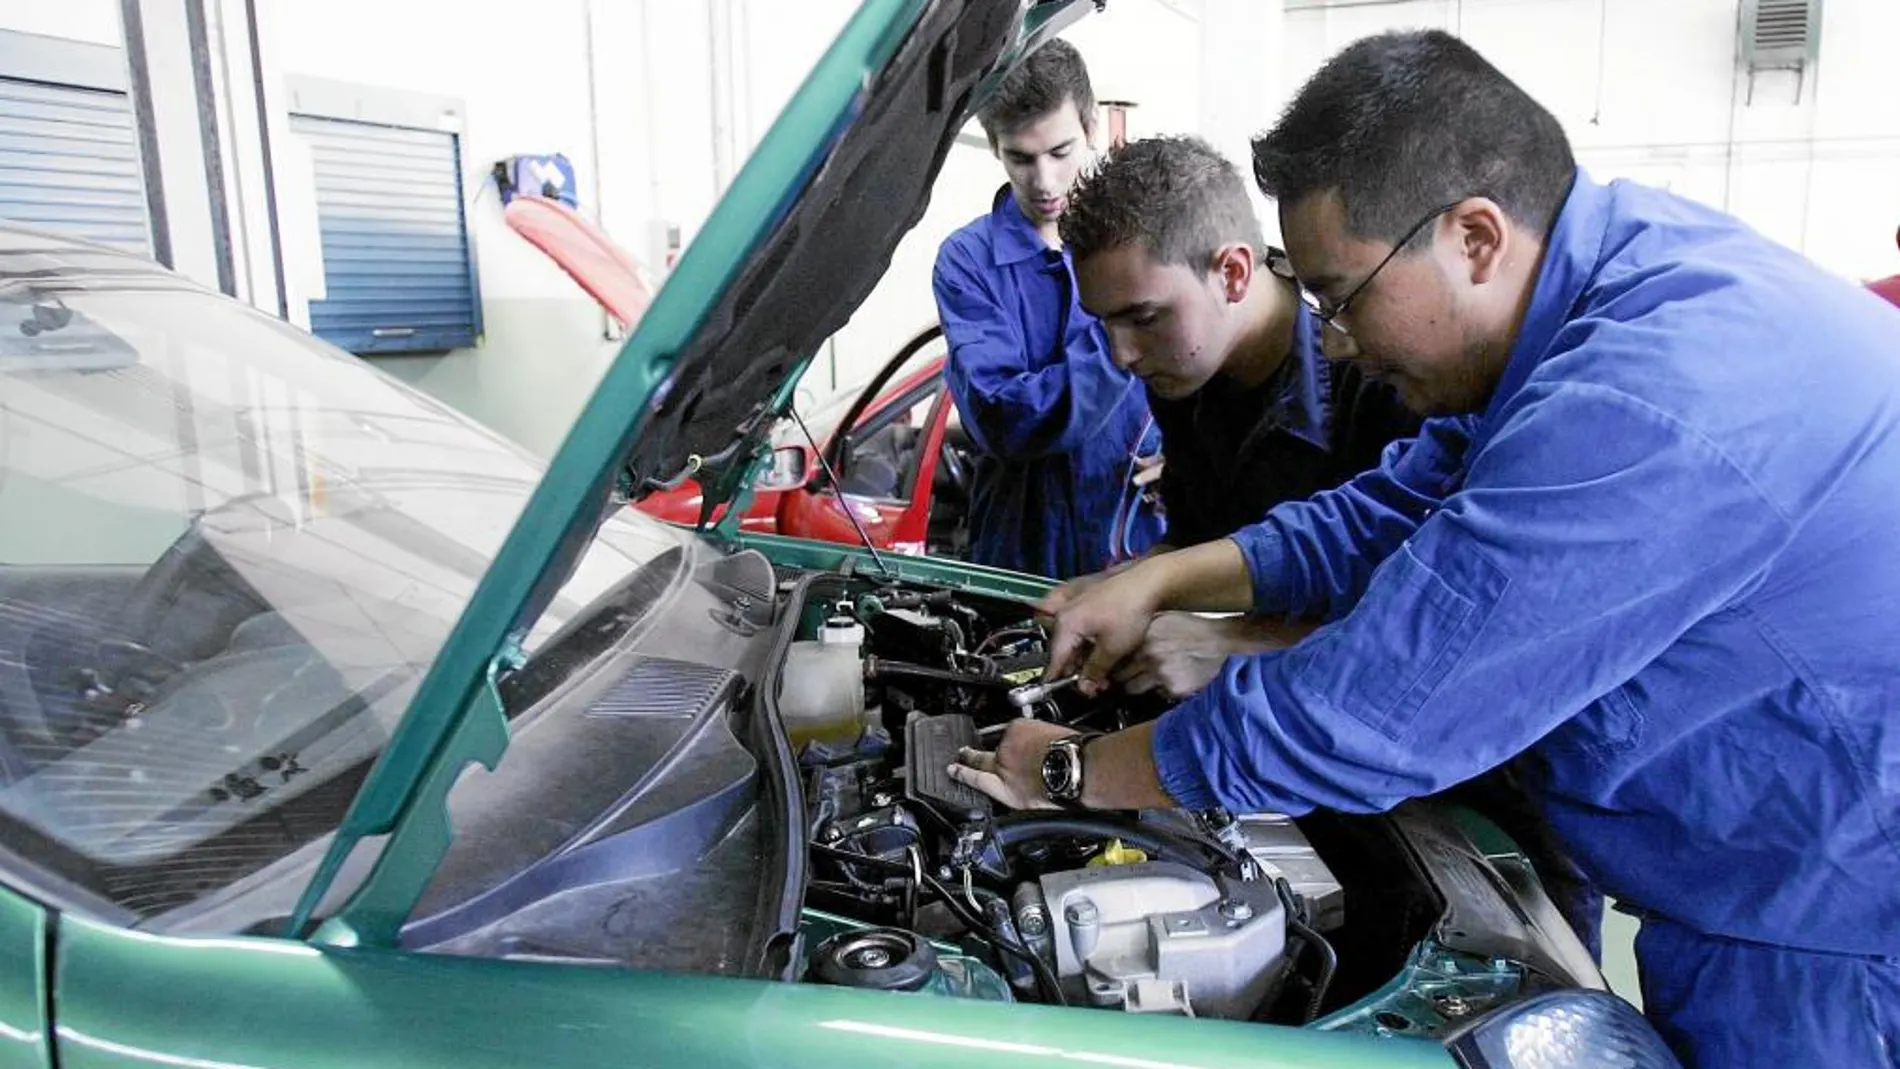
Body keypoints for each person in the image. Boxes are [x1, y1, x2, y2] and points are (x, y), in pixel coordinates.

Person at [950, 29, 1900, 1067]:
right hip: (1752, 885)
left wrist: (1078, 771)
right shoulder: (1600, 288)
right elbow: (1390, 506)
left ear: (1474, 238)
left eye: (1340, 298)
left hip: (1825, 933)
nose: (1337, 340)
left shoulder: (1646, 399)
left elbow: (1377, 705)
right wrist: (1163, 577)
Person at [1055, 134, 1420, 699]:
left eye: (1144, 318)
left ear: (1232, 272)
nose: (1122, 356)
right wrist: (1124, 589)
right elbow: (1203, 539)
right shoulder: (1186, 376)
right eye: (1105, 324)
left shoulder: (1379, 367)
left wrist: (1245, 643)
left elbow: (1431, 624)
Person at [931, 39, 1160, 579]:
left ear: (1091, 128)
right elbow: (1008, 418)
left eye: (1060, 153)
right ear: (994, 147)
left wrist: (1194, 457)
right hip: (1020, 550)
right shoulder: (967, 262)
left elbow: (1206, 363)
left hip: (1137, 540)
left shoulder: (1147, 239)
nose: (1045, 182)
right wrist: (1124, 326)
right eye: (1021, 158)